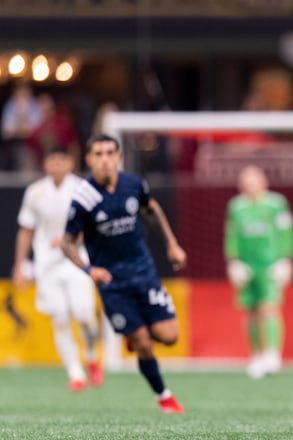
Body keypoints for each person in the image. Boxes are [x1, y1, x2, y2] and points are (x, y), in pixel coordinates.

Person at [61, 134, 188, 413]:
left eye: (110, 153)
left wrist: (172, 244)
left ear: (119, 157)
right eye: (98, 154)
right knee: (143, 343)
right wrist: (88, 269)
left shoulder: (133, 184)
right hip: (113, 283)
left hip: (144, 272)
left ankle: (136, 332)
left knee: (169, 336)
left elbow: (150, 209)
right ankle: (164, 397)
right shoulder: (84, 198)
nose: (105, 159)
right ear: (89, 160)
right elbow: (67, 242)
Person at [13, 146, 102, 392]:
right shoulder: (36, 192)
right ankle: (75, 373)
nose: (56, 165)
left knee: (83, 314)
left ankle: (92, 356)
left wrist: (71, 238)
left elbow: (95, 225)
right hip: (47, 263)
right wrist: (20, 264)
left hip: (76, 258)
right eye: (52, 160)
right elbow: (26, 229)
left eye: (61, 160)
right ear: (46, 164)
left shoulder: (82, 189)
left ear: (70, 163)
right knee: (60, 317)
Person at [224, 165, 293, 379]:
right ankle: (256, 355)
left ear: (264, 181)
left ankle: (272, 354)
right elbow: (231, 234)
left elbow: (287, 232)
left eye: (253, 180)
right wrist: (233, 260)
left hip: (270, 263)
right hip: (247, 265)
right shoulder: (236, 207)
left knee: (269, 308)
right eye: (245, 181)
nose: (250, 185)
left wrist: (286, 258)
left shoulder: (276, 204)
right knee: (251, 311)